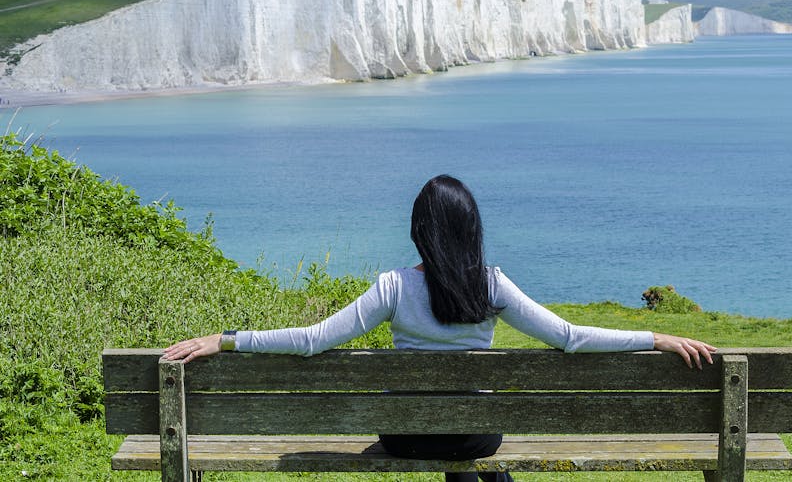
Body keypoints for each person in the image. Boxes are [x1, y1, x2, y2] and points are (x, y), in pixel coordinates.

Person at [164, 174, 716, 482]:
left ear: (418, 231)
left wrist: (225, 339)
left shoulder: (392, 287)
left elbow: (312, 341)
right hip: (476, 433)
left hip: (403, 435)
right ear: (471, 228)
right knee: (466, 443)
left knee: (435, 429)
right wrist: (657, 337)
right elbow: (570, 338)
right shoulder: (492, 285)